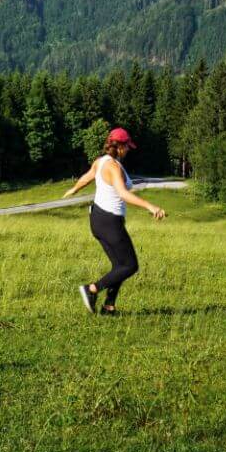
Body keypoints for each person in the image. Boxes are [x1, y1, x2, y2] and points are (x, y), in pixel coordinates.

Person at [64, 127, 166, 316]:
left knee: (119, 265)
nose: (128, 150)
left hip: (98, 219)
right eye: (127, 146)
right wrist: (150, 207)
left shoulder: (101, 162)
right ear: (119, 146)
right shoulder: (113, 167)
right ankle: (92, 289)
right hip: (109, 221)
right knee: (130, 265)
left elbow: (87, 178)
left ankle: (109, 307)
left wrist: (74, 190)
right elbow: (123, 194)